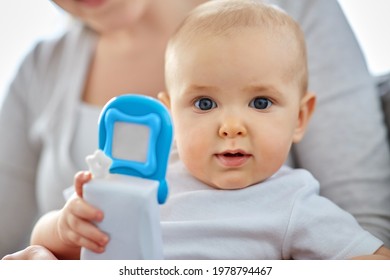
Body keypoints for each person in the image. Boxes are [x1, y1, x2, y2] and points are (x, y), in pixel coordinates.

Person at [1, 0, 390, 258]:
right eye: (204, 104)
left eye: (261, 103)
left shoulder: (294, 202)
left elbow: (372, 257)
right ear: (169, 115)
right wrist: (61, 229)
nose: (230, 127)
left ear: (300, 118)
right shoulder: (138, 181)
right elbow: (46, 236)